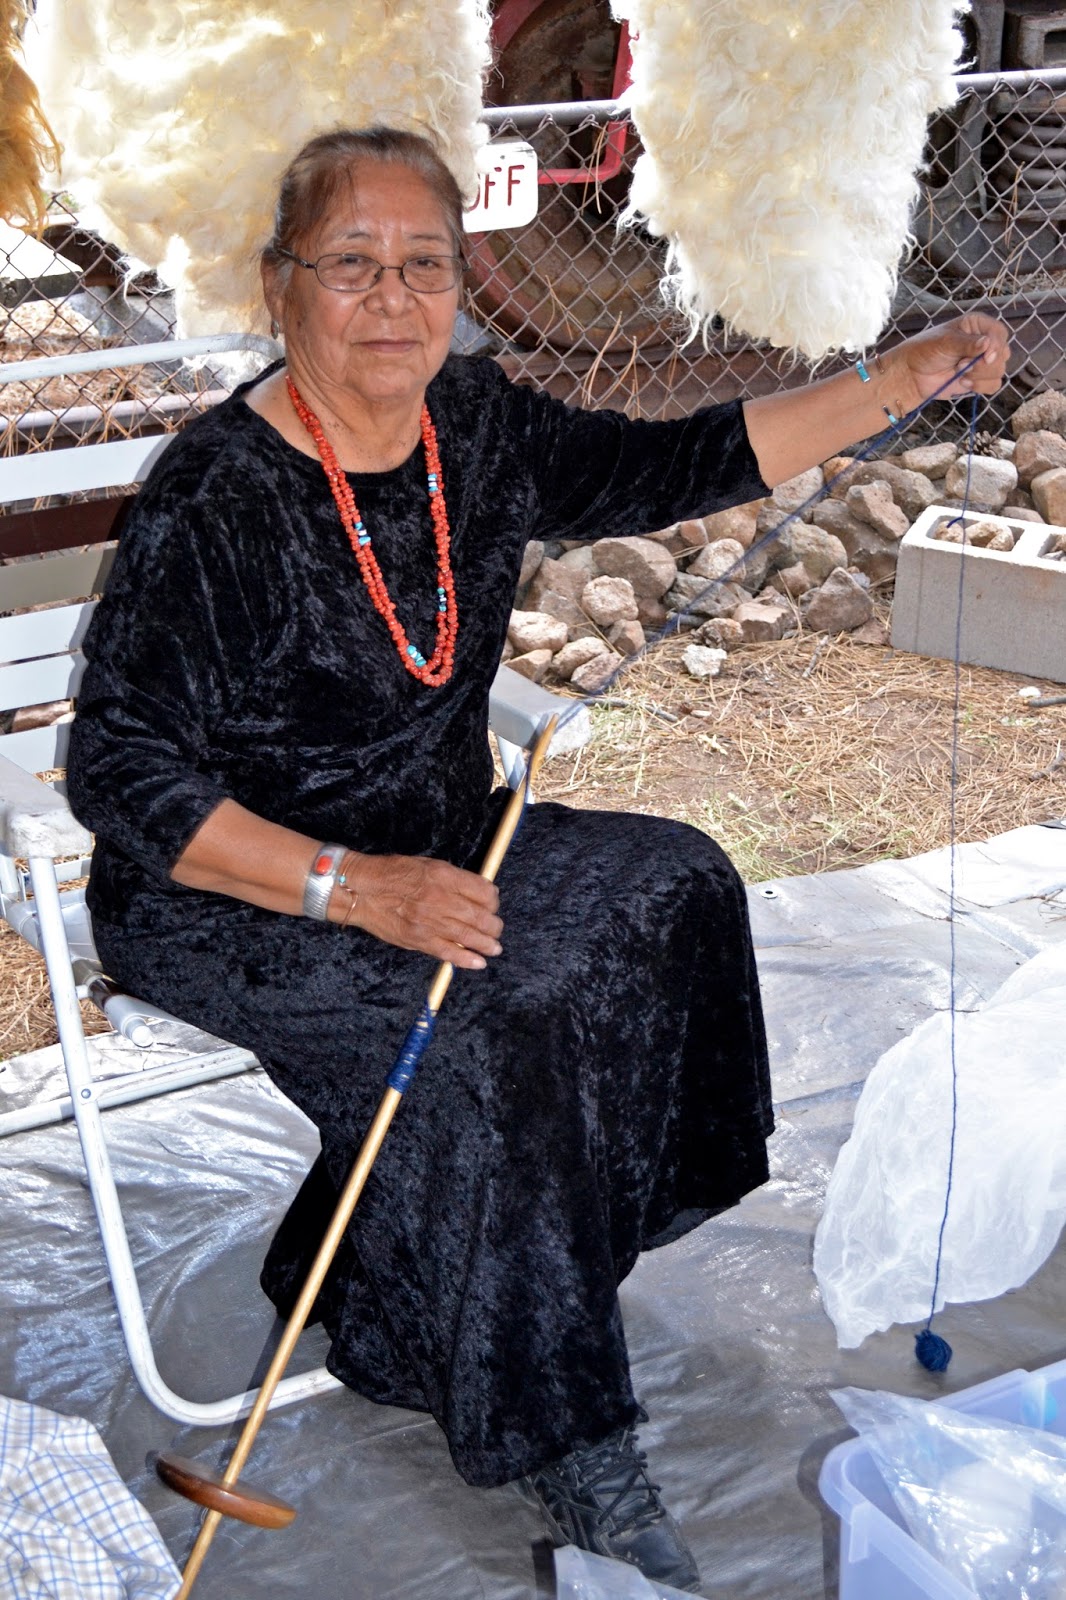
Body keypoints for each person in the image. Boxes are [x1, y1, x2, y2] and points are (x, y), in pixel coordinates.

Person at [67, 125, 1010, 1592]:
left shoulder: (474, 423)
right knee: (479, 1040)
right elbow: (119, 774)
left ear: (461, 284)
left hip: (438, 841)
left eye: (424, 264)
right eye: (351, 265)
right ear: (281, 284)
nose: (392, 298)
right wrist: (355, 889)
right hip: (234, 894)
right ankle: (565, 1435)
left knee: (674, 883)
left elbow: (677, 460)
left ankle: (462, 1264)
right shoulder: (221, 495)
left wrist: (894, 380)